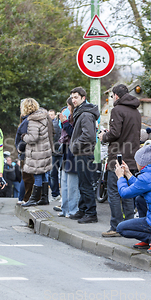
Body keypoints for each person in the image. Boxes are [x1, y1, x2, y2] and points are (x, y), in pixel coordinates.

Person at [98, 84, 141, 236]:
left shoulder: (117, 110)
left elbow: (115, 133)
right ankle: (129, 225)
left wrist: (104, 136)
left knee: (114, 192)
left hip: (117, 157)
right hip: (132, 157)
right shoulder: (136, 111)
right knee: (129, 192)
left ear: (116, 95)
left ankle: (116, 227)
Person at [68, 87, 100, 224]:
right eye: (72, 97)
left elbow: (89, 135)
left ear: (83, 98)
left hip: (85, 153)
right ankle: (83, 209)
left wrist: (75, 145)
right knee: (82, 183)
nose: (73, 100)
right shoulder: (81, 112)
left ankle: (91, 213)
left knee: (86, 184)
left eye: (76, 97)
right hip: (82, 152)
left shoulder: (86, 114)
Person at [21, 99, 53, 207]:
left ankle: (33, 199)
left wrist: (24, 136)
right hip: (45, 150)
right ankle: (44, 197)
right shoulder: (43, 116)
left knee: (37, 175)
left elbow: (33, 138)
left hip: (37, 152)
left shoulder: (33, 120)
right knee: (44, 174)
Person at [58, 98, 81, 218]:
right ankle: (65, 209)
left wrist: (65, 123)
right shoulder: (71, 116)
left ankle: (72, 210)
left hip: (73, 153)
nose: (67, 109)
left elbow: (74, 133)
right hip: (67, 152)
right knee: (65, 183)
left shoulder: (78, 117)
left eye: (68, 106)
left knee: (72, 185)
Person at [50, 109, 62, 201]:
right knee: (60, 174)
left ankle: (55, 194)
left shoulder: (51, 125)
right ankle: (58, 194)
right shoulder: (55, 124)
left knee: (54, 174)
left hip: (55, 152)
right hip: (59, 152)